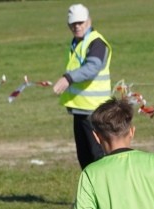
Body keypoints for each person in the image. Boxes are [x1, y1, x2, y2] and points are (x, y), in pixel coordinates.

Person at [52, 3, 113, 169]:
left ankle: (105, 193)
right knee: (84, 158)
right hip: (80, 110)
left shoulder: (97, 43)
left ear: (89, 21)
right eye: (73, 24)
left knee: (97, 156)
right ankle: (90, 194)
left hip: (95, 111)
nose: (77, 26)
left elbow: (92, 68)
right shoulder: (76, 43)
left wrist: (67, 79)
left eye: (80, 22)